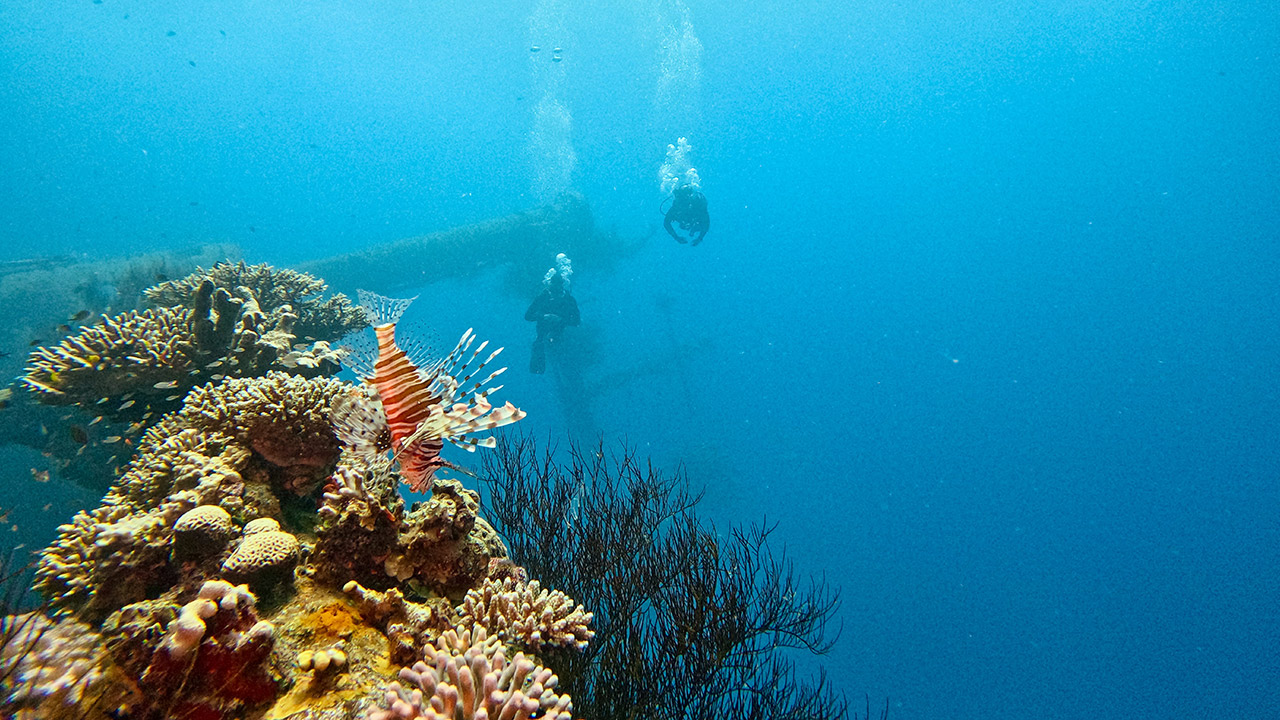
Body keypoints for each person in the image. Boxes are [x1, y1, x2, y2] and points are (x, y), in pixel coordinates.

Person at [525, 272, 579, 374]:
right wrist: (544, 316)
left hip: (561, 334)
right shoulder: (542, 297)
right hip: (543, 332)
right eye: (554, 285)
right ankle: (539, 369)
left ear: (562, 285)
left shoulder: (568, 300)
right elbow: (528, 316)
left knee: (561, 354)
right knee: (540, 346)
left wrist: (560, 320)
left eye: (558, 285)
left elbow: (576, 321)